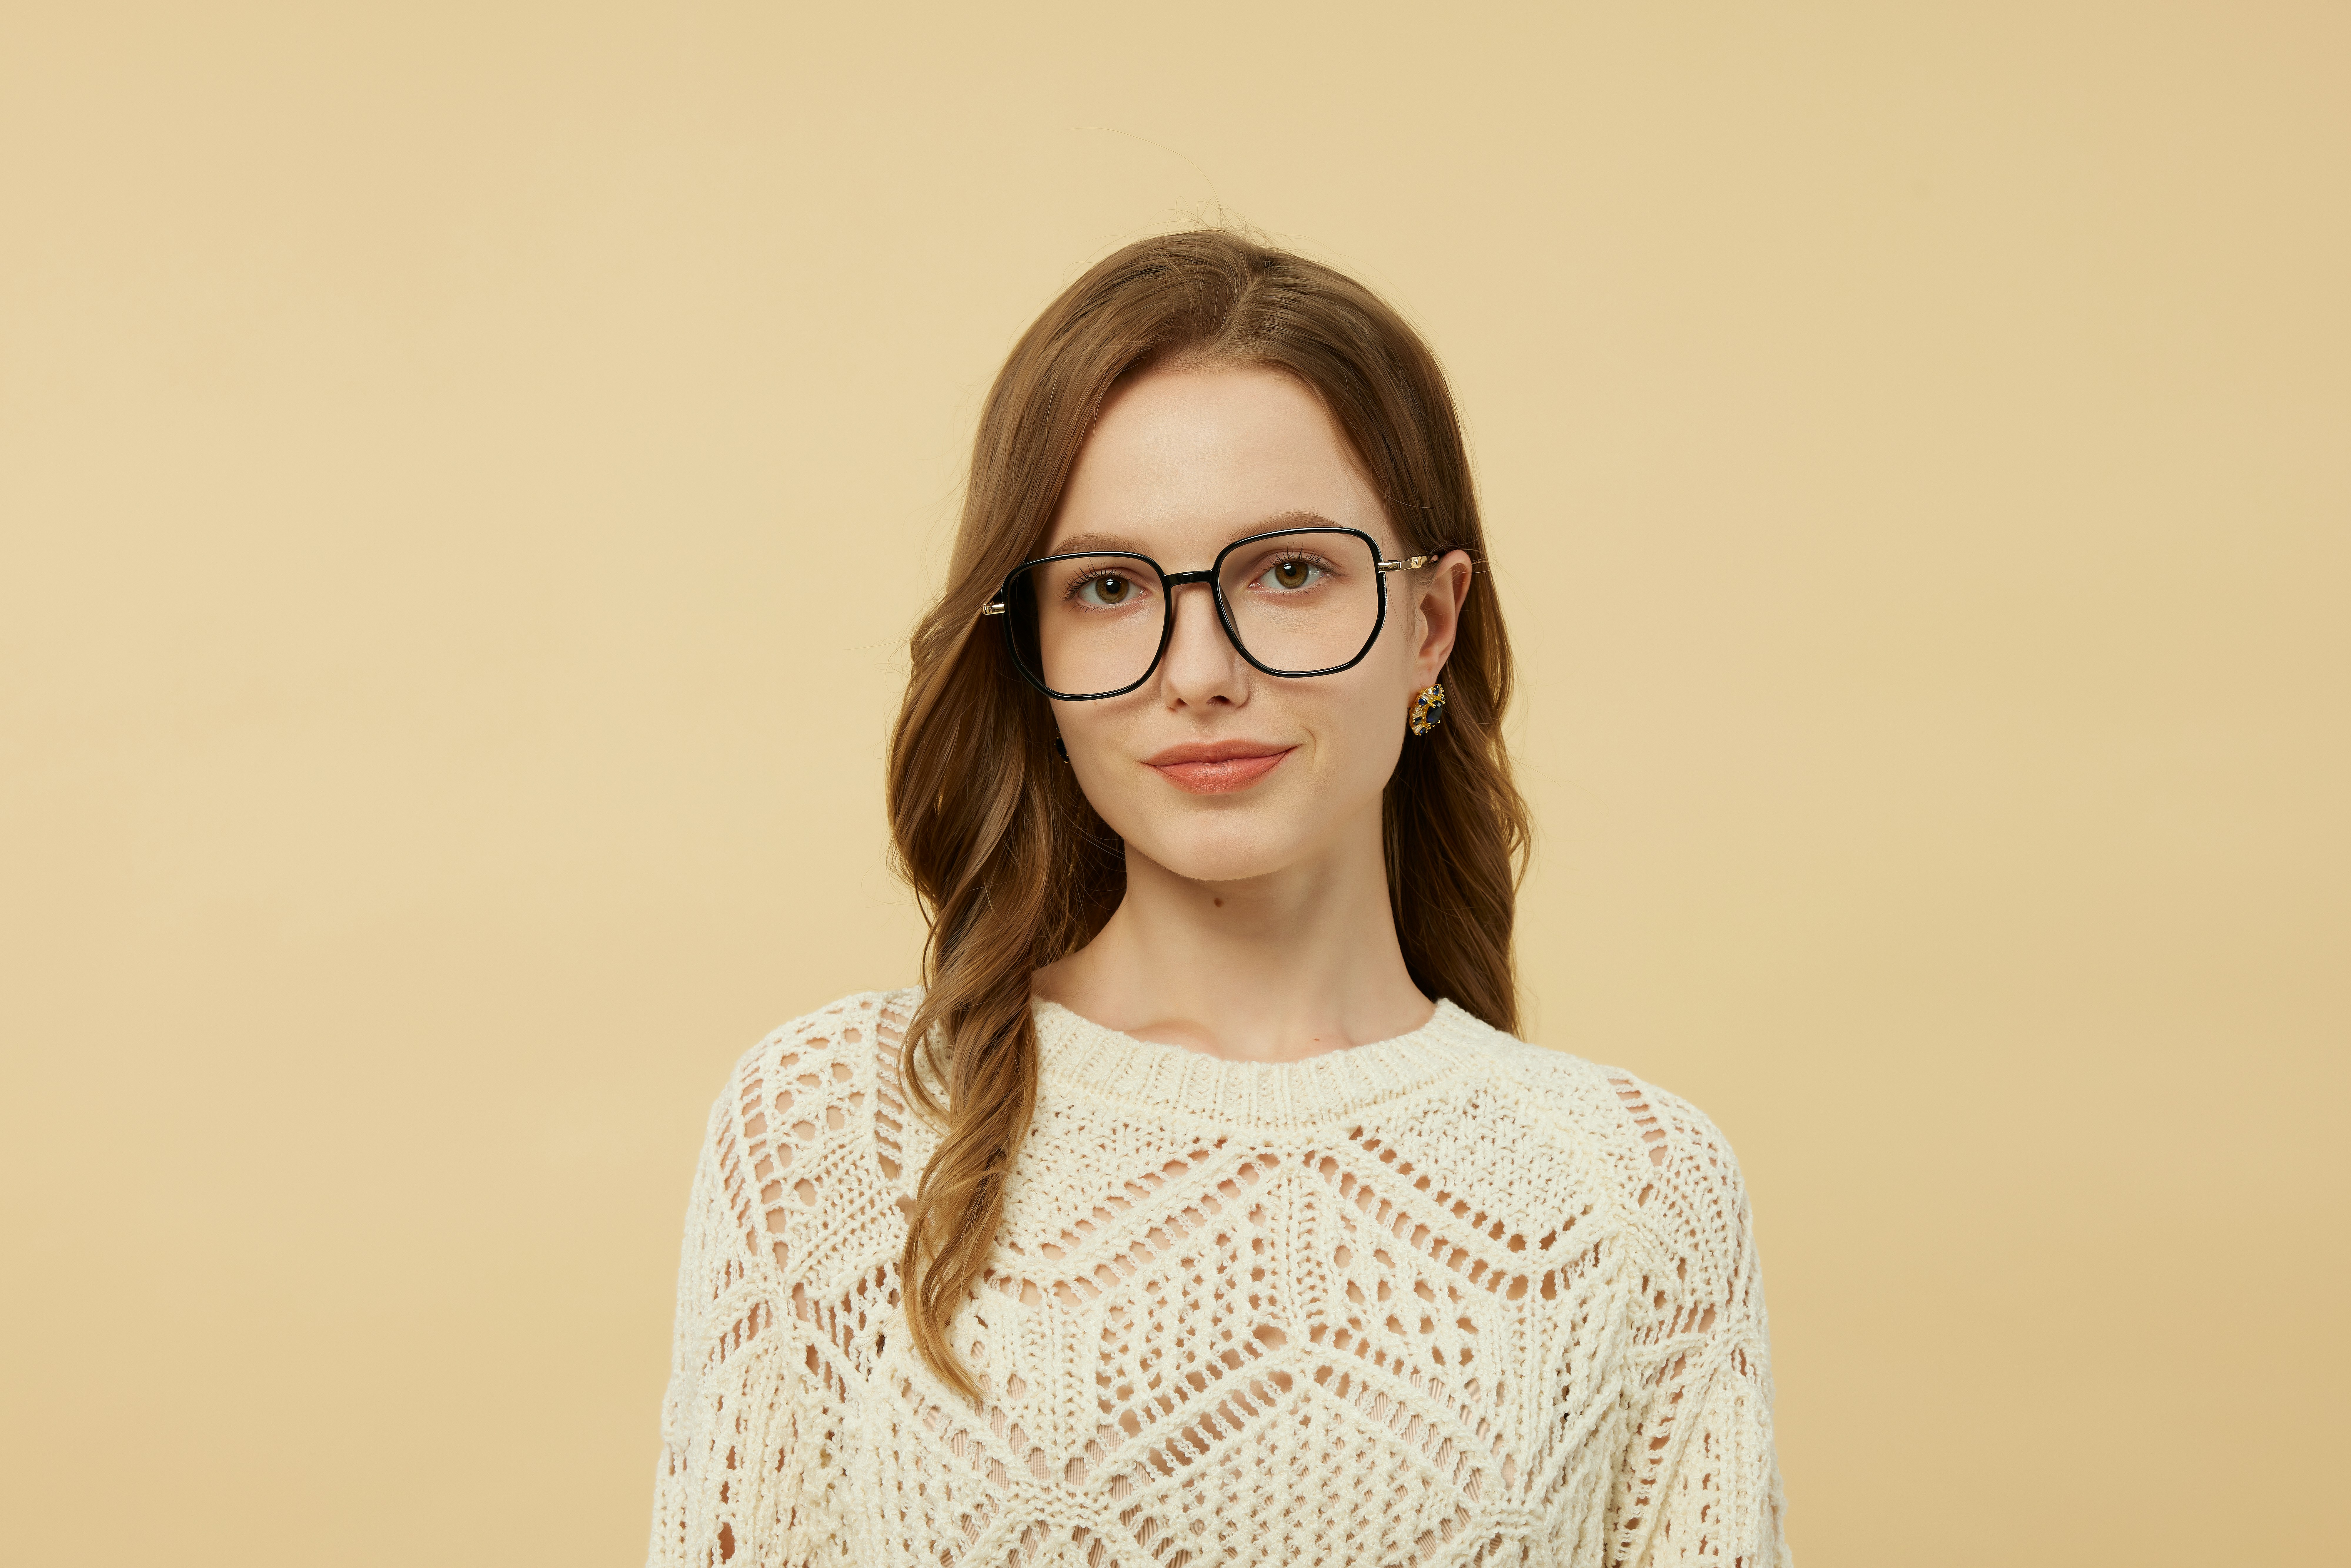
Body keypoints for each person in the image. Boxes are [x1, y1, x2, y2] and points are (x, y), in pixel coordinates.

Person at [645, 229, 1792, 1567]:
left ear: (1429, 623)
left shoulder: (1638, 1191)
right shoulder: (836, 1129)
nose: (1197, 672)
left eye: (1288, 571)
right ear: (1031, 643)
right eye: (1109, 587)